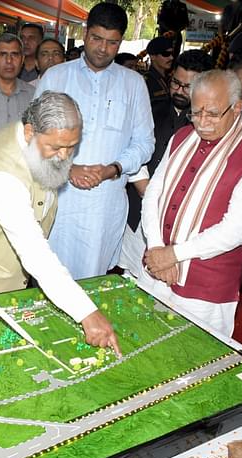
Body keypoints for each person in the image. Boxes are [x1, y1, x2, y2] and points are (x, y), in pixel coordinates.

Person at [0, 91, 121, 355]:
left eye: (72, 147)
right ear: (30, 132)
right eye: (56, 147)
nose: (64, 156)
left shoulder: (30, 137)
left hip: (3, 265)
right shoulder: (2, 176)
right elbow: (34, 251)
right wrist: (87, 314)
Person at [140, 69, 242, 337]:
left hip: (205, 290)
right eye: (196, 112)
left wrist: (173, 254)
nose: (202, 122)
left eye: (213, 113)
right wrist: (157, 248)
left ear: (237, 107)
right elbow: (153, 194)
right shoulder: (182, 137)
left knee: (191, 362)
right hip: (156, 269)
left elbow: (236, 230)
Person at [36, 2, 154, 279]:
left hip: (105, 204)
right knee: (50, 277)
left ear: (121, 41)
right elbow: (34, 135)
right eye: (97, 38)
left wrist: (110, 169)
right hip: (59, 198)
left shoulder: (134, 83)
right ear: (86, 34)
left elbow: (144, 143)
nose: (103, 48)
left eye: (112, 42)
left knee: (93, 281)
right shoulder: (56, 77)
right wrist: (69, 168)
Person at [120, 49, 214, 278]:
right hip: (136, 215)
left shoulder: (210, 125)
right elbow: (132, 149)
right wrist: (146, 190)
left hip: (178, 224)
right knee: (130, 277)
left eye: (188, 87)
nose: (179, 91)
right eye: (176, 83)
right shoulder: (151, 109)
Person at [145, 36, 174, 122]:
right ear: (153, 56)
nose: (171, 58)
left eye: (172, 54)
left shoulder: (171, 79)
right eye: (166, 54)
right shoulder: (145, 82)